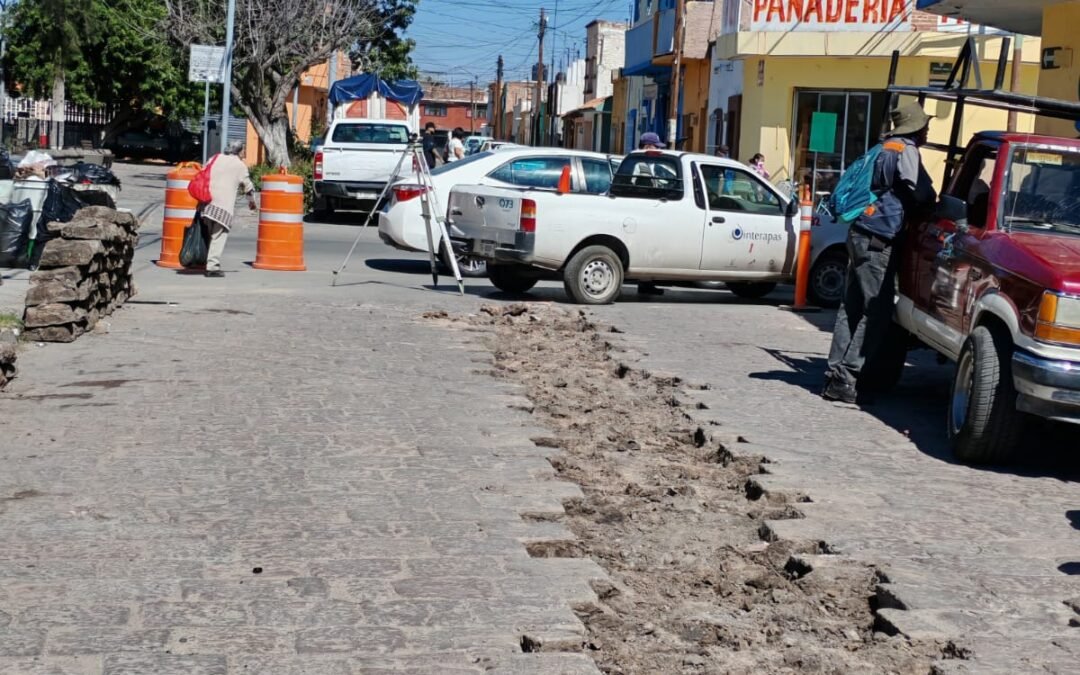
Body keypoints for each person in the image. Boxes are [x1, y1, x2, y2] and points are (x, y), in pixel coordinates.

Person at [822, 101, 937, 404]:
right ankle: (845, 378)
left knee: (851, 307)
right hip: (877, 239)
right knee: (877, 311)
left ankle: (834, 374)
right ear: (915, 127)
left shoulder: (884, 147)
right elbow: (922, 192)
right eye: (925, 125)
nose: (928, 129)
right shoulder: (905, 150)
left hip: (860, 231)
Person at [199, 139, 256, 278]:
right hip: (222, 207)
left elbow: (202, 172)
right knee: (218, 235)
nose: (245, 153)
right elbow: (248, 187)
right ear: (240, 151)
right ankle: (212, 267)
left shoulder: (215, 158)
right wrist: (252, 203)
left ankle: (203, 261)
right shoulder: (240, 165)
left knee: (210, 234)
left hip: (206, 203)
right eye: (244, 150)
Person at [636, 132, 668, 297]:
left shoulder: (648, 164)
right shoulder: (640, 166)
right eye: (656, 147)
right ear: (648, 147)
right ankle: (645, 283)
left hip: (650, 212)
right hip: (644, 213)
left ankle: (647, 282)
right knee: (645, 250)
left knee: (649, 251)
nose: (658, 150)